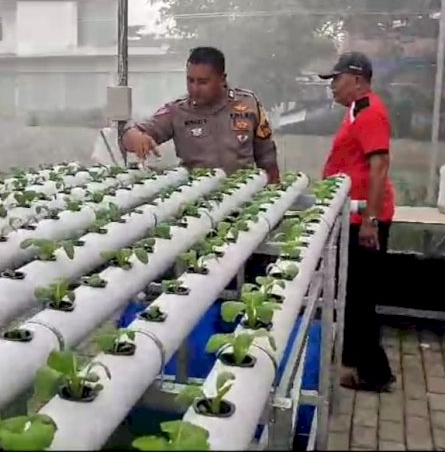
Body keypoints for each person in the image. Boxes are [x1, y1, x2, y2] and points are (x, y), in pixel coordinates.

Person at [319, 51, 396, 392]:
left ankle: (375, 373)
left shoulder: (369, 113)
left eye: (336, 79)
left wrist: (370, 221)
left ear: (357, 79)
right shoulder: (355, 111)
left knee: (361, 297)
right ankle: (359, 360)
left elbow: (379, 166)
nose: (332, 86)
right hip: (354, 214)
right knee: (354, 294)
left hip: (364, 219)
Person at [120, 46, 281, 184]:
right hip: (199, 199)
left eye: (203, 82)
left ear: (222, 79)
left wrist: (273, 189)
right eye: (190, 80)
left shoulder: (248, 103)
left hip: (243, 192)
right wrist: (134, 136)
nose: (195, 88)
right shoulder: (177, 111)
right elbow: (130, 135)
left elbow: (266, 154)